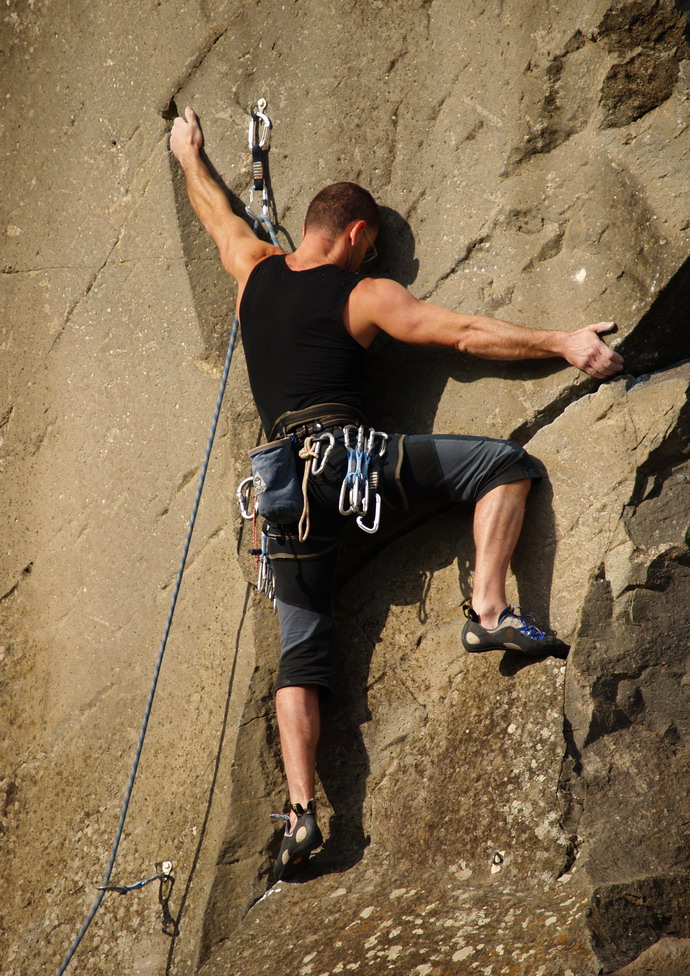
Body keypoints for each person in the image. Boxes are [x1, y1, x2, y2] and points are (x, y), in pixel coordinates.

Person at [169, 106, 624, 880]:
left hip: (282, 491)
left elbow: (218, 217)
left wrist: (188, 155)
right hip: (352, 464)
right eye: (369, 249)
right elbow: (463, 335)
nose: (368, 260)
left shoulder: (252, 271)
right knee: (504, 465)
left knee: (300, 649)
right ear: (354, 235)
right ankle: (488, 611)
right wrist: (562, 342)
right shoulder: (363, 294)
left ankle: (302, 813)